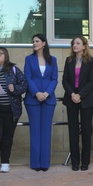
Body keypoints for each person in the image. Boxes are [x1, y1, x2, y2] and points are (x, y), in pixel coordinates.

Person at [24, 34, 59, 171]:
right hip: (33, 99)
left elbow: (55, 79)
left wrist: (47, 93)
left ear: (44, 43)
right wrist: (37, 93)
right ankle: (35, 164)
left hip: (48, 99)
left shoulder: (53, 60)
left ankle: (45, 164)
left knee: (46, 131)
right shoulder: (29, 59)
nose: (34, 43)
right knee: (35, 131)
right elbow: (28, 77)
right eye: (33, 41)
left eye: (37, 41)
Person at [62, 36, 93, 171]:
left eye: (78, 43)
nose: (74, 45)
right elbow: (65, 80)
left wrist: (80, 94)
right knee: (73, 130)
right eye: (73, 43)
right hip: (71, 99)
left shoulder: (91, 61)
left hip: (86, 99)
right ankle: (75, 162)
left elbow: (91, 82)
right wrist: (72, 94)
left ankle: (85, 162)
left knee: (87, 131)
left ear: (84, 46)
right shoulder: (69, 60)